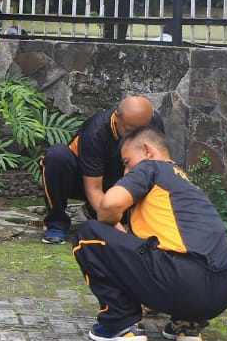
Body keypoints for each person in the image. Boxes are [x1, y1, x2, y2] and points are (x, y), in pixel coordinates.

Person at [72, 126, 227, 341]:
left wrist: (112, 225)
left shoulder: (151, 167)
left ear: (146, 150)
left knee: (89, 234)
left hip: (182, 280)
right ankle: (187, 322)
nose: (125, 172)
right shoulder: (185, 184)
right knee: (167, 255)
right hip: (225, 289)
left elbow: (109, 205)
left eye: (126, 162)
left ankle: (121, 322)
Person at [40, 95, 164, 243]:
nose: (135, 137)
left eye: (142, 131)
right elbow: (93, 189)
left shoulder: (154, 121)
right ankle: (56, 223)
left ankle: (94, 211)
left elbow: (159, 165)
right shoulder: (94, 132)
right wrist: (120, 233)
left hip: (121, 181)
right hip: (85, 181)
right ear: (116, 117)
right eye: (129, 130)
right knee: (57, 156)